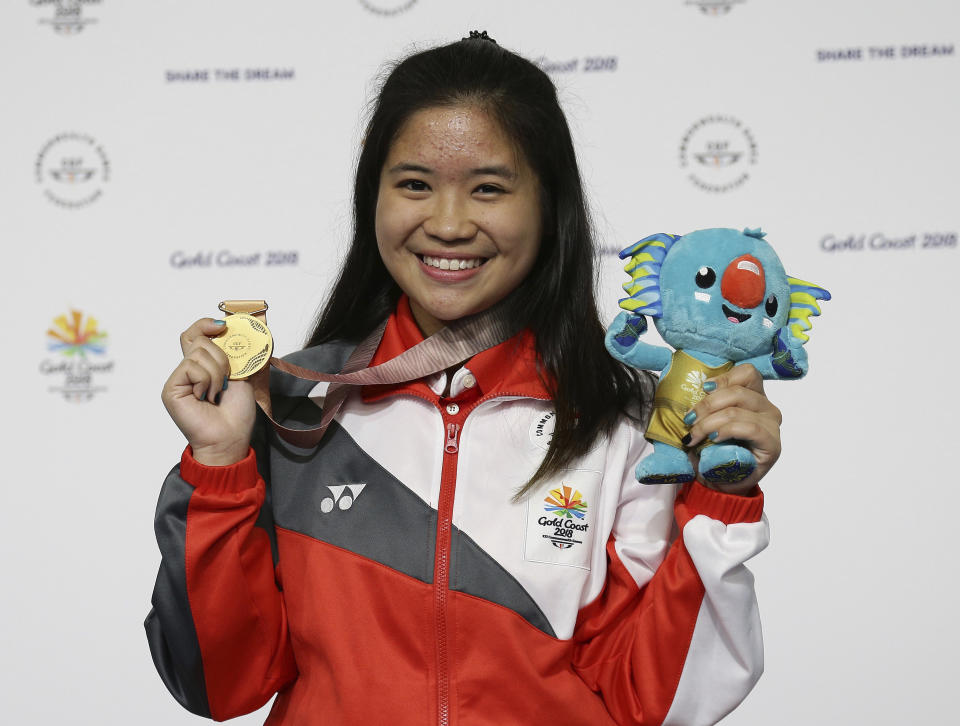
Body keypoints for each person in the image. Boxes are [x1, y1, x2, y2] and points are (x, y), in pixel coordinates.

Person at [147, 32, 780, 726]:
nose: (447, 224)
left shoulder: (625, 418)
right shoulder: (293, 405)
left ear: (549, 202)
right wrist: (218, 466)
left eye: (488, 189)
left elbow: (658, 700)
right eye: (415, 184)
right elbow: (219, 685)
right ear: (373, 193)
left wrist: (724, 500)